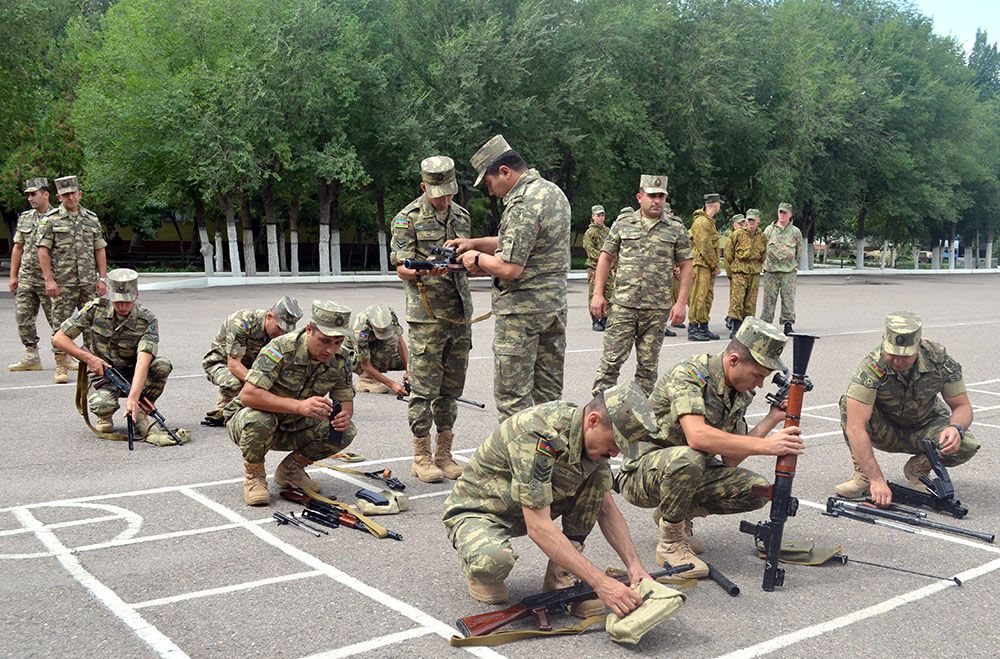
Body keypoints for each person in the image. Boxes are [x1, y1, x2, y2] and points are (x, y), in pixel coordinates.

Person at [443, 382, 656, 618]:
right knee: (493, 562)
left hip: (528, 505)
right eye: (615, 443)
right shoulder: (538, 436)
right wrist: (601, 583)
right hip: (482, 510)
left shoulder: (590, 441)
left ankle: (561, 574)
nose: (615, 454)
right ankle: (477, 565)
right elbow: (538, 526)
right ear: (593, 420)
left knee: (596, 479)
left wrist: (634, 565)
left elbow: (605, 508)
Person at [614, 318, 803, 578]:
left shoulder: (740, 391)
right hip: (642, 473)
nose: (759, 384)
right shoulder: (690, 374)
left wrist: (771, 419)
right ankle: (670, 543)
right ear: (734, 360)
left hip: (685, 469)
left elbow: (731, 459)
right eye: (758, 375)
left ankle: (675, 517)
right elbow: (698, 438)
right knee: (689, 458)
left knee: (757, 490)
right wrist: (766, 445)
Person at [449, 134, 571, 422]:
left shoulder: (522, 202)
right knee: (549, 397)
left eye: (489, 182)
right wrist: (474, 243)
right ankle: (548, 462)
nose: (490, 191)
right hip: (552, 309)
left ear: (505, 171)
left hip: (522, 316)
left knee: (513, 400)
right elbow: (515, 241)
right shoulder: (552, 192)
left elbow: (509, 267)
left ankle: (519, 464)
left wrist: (474, 259)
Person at [835, 311, 980, 505]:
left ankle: (917, 470)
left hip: (925, 429)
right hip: (885, 430)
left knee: (966, 443)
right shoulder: (871, 367)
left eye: (905, 356)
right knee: (848, 405)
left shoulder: (940, 361)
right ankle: (864, 477)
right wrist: (877, 480)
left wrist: (955, 428)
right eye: (892, 354)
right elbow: (855, 427)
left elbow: (962, 406)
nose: (897, 361)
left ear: (918, 347)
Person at [390, 155, 474, 483]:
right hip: (427, 316)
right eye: (438, 193)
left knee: (451, 387)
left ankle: (444, 452)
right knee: (424, 388)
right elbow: (401, 267)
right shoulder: (406, 219)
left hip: (459, 314)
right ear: (424, 186)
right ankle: (421, 455)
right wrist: (423, 268)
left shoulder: (462, 216)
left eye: (450, 192)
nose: (445, 199)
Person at [225, 300, 357, 506]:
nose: (331, 350)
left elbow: (345, 399)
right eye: (324, 341)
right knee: (259, 419)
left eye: (338, 342)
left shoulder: (341, 359)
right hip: (252, 423)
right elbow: (248, 396)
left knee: (345, 431)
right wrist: (300, 406)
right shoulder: (280, 349)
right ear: (309, 329)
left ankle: (291, 471)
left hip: (295, 424)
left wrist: (344, 416)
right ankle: (255, 476)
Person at [590, 174, 693, 396]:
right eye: (651, 196)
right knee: (610, 362)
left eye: (661, 196)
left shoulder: (675, 227)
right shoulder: (624, 223)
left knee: (647, 368)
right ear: (639, 197)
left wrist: (681, 303)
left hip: (656, 310)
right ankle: (599, 414)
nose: (656, 201)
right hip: (624, 306)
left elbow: (686, 265)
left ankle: (638, 417)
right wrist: (598, 294)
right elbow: (606, 257)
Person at [51, 268, 178, 445]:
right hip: (102, 374)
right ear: (110, 296)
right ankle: (105, 416)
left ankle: (141, 410)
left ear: (136, 295)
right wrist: (89, 358)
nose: (122, 306)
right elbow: (59, 338)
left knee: (162, 365)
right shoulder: (95, 309)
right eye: (117, 301)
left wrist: (134, 398)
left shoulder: (147, 320)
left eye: (127, 301)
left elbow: (143, 362)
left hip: (133, 373)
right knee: (102, 409)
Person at [36, 175, 108, 384]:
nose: (70, 197)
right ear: (58, 197)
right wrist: (49, 280)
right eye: (65, 194)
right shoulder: (51, 220)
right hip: (63, 283)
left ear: (80, 194)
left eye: (73, 193)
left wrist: (102, 278)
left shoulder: (91, 219)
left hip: (88, 283)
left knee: (93, 324)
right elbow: (43, 251)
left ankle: (93, 363)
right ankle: (61, 363)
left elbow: (100, 249)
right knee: (60, 324)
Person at [200, 296, 303, 426]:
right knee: (235, 383)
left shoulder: (279, 333)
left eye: (286, 330)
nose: (282, 333)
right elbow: (233, 364)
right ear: (269, 316)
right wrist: (259, 385)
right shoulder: (242, 323)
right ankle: (225, 410)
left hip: (252, 365)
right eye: (279, 328)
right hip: (221, 363)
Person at [8, 178, 58, 372]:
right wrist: (13, 276)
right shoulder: (26, 217)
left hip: (51, 278)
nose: (30, 198)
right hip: (27, 277)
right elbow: (18, 247)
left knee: (57, 319)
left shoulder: (59, 217)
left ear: (46, 194)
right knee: (23, 318)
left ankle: (62, 356)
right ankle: (31, 356)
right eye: (28, 194)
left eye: (33, 194)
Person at [760, 202, 801, 335]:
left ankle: (788, 324)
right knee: (768, 299)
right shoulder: (769, 230)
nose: (782, 215)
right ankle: (766, 324)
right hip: (771, 271)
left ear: (790, 214)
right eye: (780, 212)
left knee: (788, 298)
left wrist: (795, 266)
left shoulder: (795, 232)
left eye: (785, 212)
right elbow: (762, 248)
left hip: (788, 271)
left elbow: (799, 251)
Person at [687, 193, 723, 342]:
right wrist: (714, 265)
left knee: (707, 297)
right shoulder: (701, 222)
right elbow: (705, 247)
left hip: (707, 266)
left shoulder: (709, 222)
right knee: (699, 297)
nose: (720, 206)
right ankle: (694, 327)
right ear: (714, 204)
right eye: (719, 203)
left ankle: (703, 326)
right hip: (701, 264)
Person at [351, 304, 409, 395]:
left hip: (375, 347)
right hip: (354, 356)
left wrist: (408, 370)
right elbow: (365, 364)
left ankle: (375, 374)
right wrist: (392, 384)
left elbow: (400, 342)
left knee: (414, 362)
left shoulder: (390, 315)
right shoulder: (360, 331)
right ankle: (366, 379)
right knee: (390, 342)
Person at [727, 209, 767, 338]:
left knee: (751, 302)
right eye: (748, 220)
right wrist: (730, 274)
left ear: (758, 221)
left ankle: (747, 329)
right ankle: (736, 327)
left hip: (754, 271)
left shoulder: (762, 236)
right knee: (737, 300)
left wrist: (757, 265)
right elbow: (728, 255)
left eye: (753, 220)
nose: (750, 223)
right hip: (739, 270)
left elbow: (764, 254)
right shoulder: (737, 234)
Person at [583, 204, 612, 331]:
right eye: (598, 215)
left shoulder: (608, 231)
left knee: (609, 293)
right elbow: (590, 251)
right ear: (593, 217)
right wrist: (604, 259)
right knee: (594, 293)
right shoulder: (590, 233)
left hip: (608, 269)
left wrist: (612, 261)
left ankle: (605, 318)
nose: (600, 218)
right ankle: (595, 319)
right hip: (595, 268)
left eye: (602, 215)